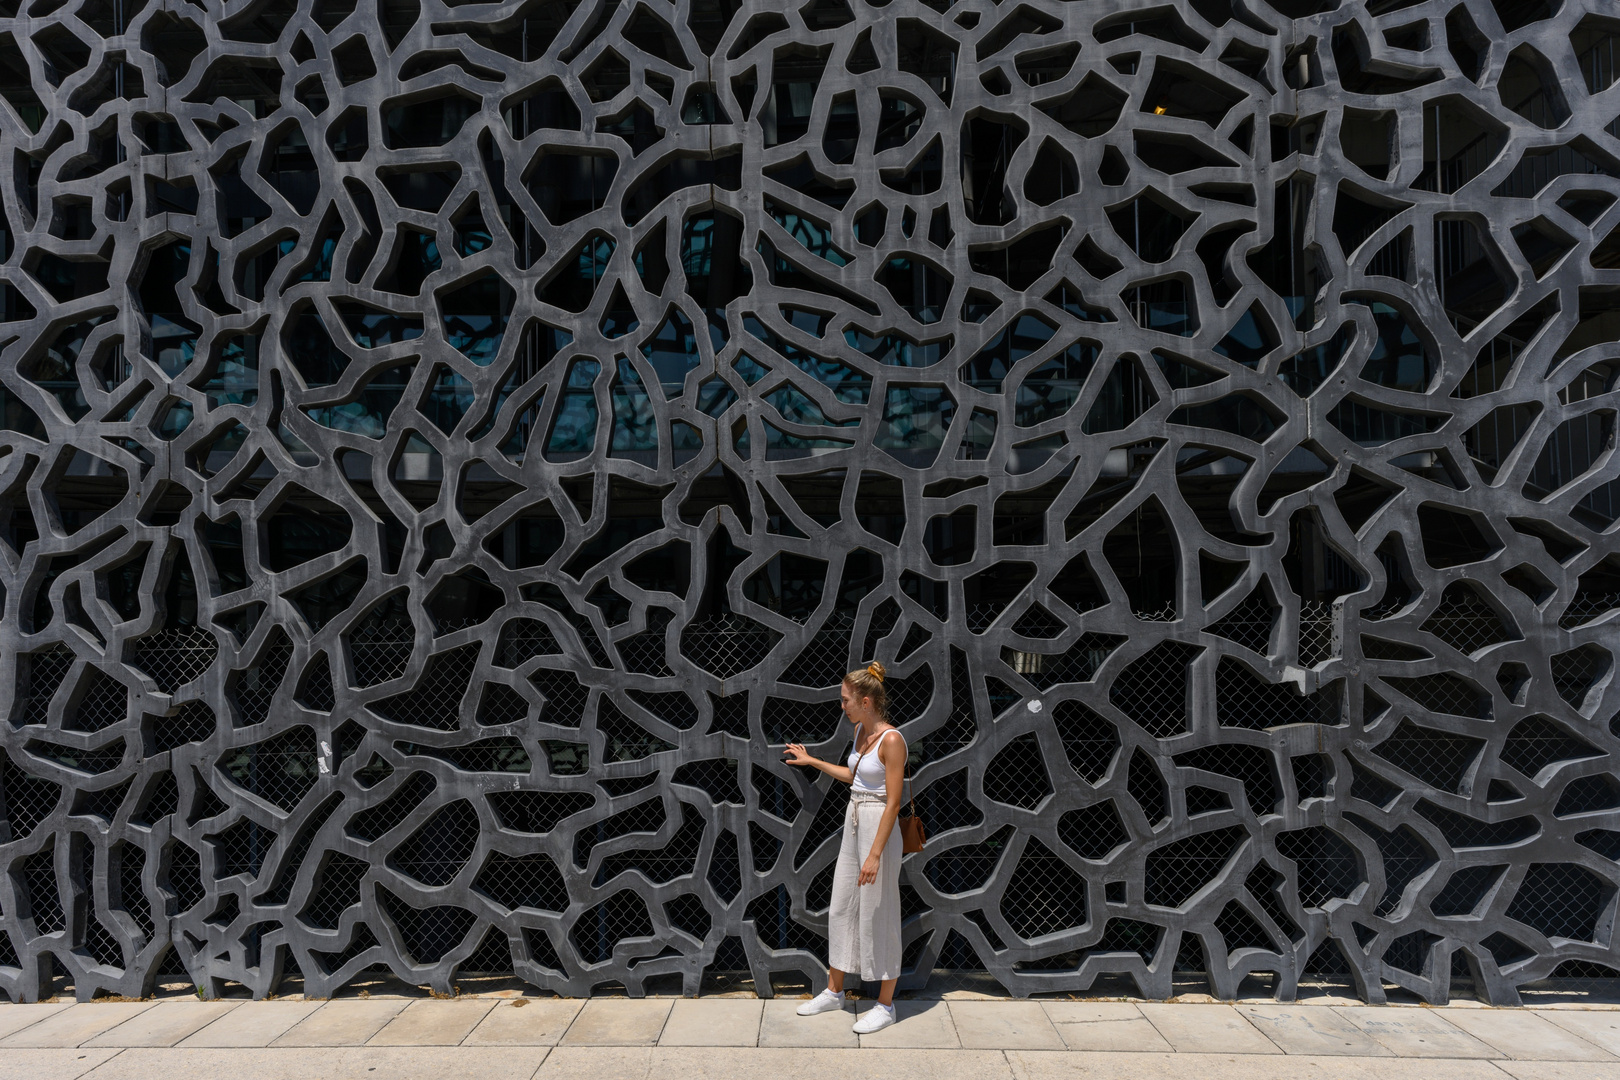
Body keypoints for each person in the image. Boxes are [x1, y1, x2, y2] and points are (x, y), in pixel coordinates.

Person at [782, 661, 906, 1033]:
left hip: (878, 828)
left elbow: (893, 802)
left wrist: (875, 854)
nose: (842, 705)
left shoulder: (893, 740)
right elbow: (855, 777)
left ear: (866, 701)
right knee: (841, 907)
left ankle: (885, 1005)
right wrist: (811, 761)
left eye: (845, 699)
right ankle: (835, 991)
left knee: (879, 913)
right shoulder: (859, 732)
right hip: (854, 821)